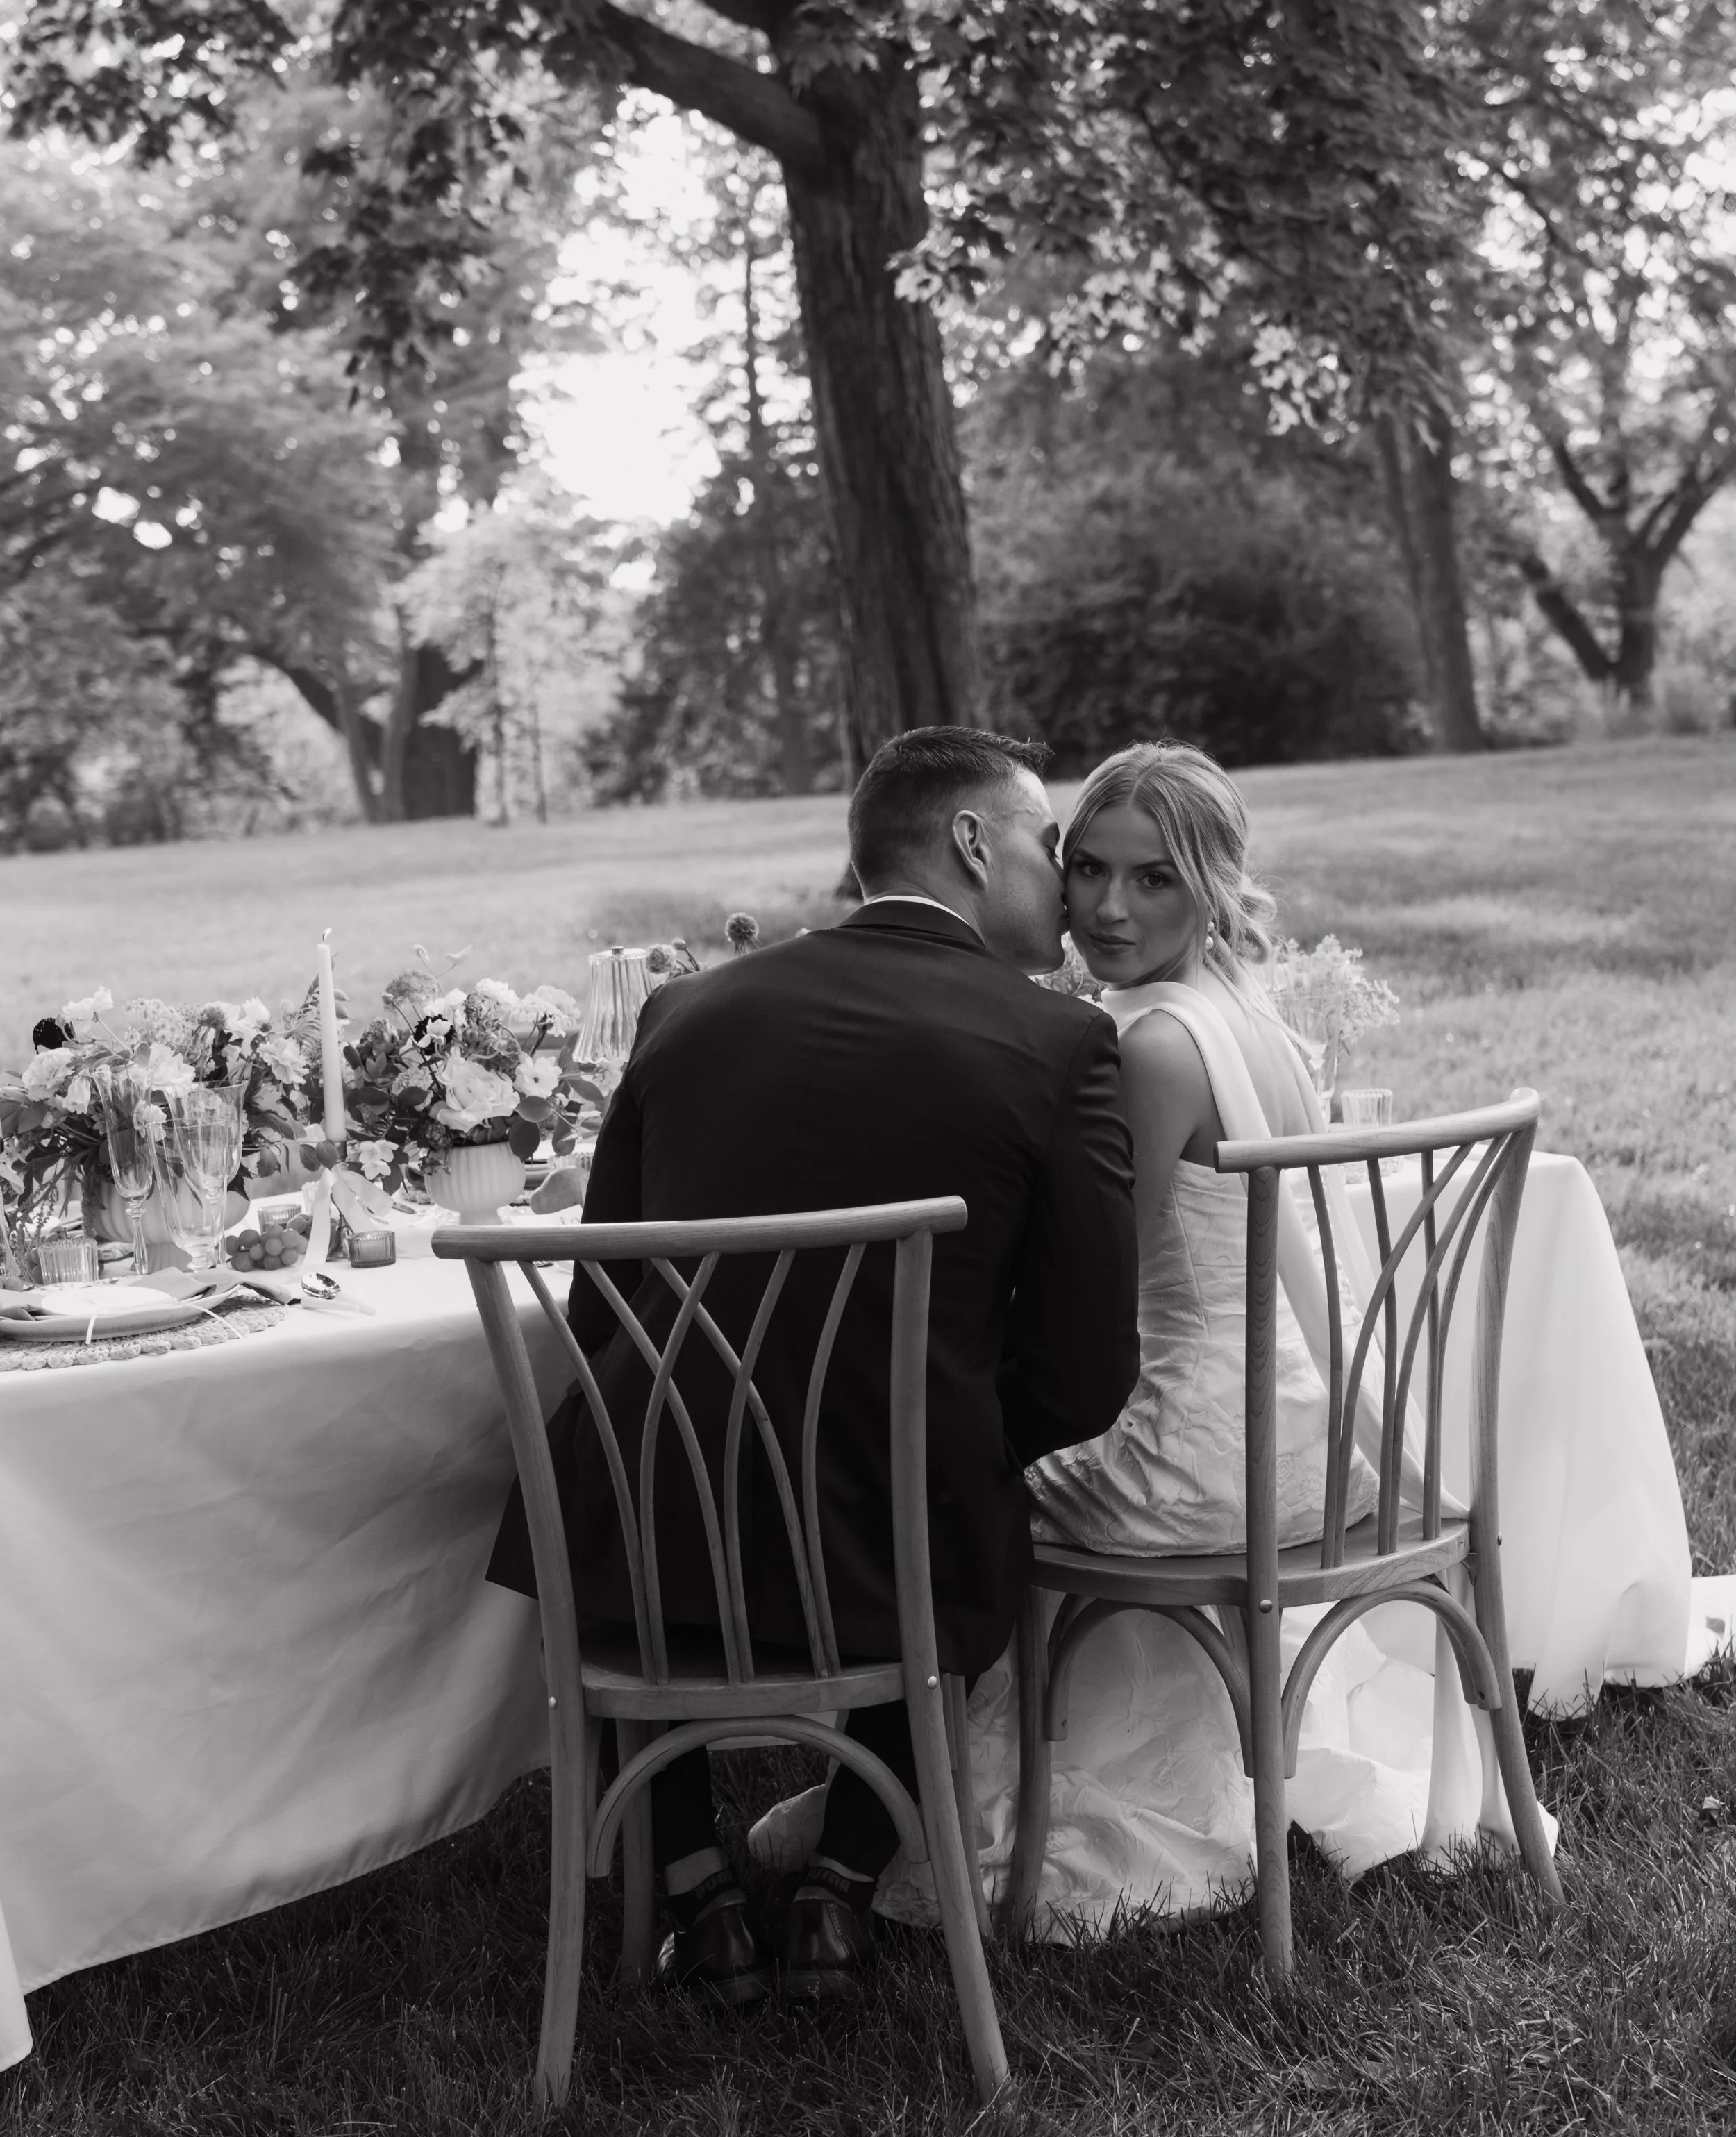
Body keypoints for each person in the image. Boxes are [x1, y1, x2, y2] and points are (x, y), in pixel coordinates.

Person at [762, 739, 1547, 1927]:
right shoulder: (1249, 1017)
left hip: (1197, 1463)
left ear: (1213, 885)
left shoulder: (1145, 1047)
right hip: (1307, 1434)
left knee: (941, 1477)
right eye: (1087, 870)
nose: (1107, 907)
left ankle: (894, 1806)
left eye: (1154, 879)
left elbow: (1089, 1289)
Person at [488, 726, 1141, 2002]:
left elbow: (605, 1301)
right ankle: (840, 1886)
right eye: (1048, 845)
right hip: (888, 1547)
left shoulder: (687, 1013)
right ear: (971, 841)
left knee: (631, 1447)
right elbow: (1083, 1369)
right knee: (944, 1474)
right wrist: (938, 1430)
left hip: (647, 1541)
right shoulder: (1060, 1044)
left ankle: (695, 1890)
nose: (1064, 883)